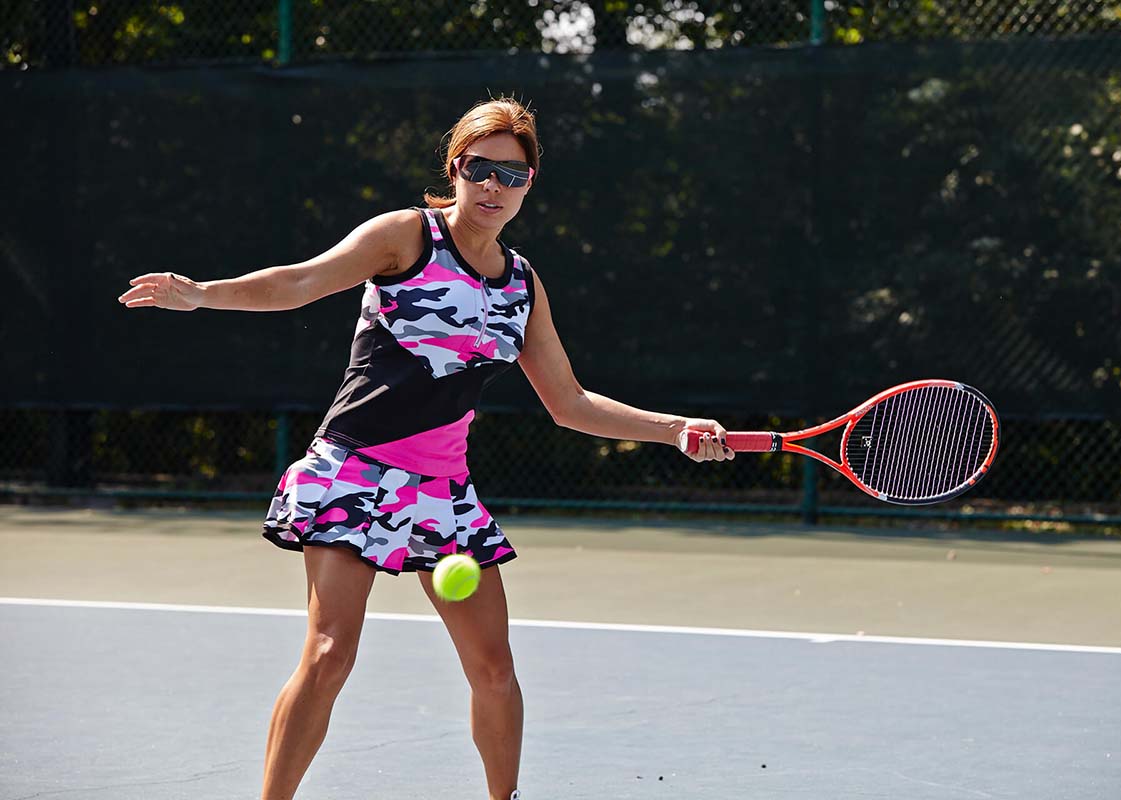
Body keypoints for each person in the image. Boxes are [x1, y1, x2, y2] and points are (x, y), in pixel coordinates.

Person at [119, 96, 733, 800]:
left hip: (444, 497)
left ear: (531, 183)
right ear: (456, 168)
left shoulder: (523, 285)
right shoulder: (407, 238)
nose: (495, 187)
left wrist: (673, 428)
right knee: (328, 655)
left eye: (513, 174)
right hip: (353, 474)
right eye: (482, 169)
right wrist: (203, 294)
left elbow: (569, 404)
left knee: (495, 669)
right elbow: (302, 281)